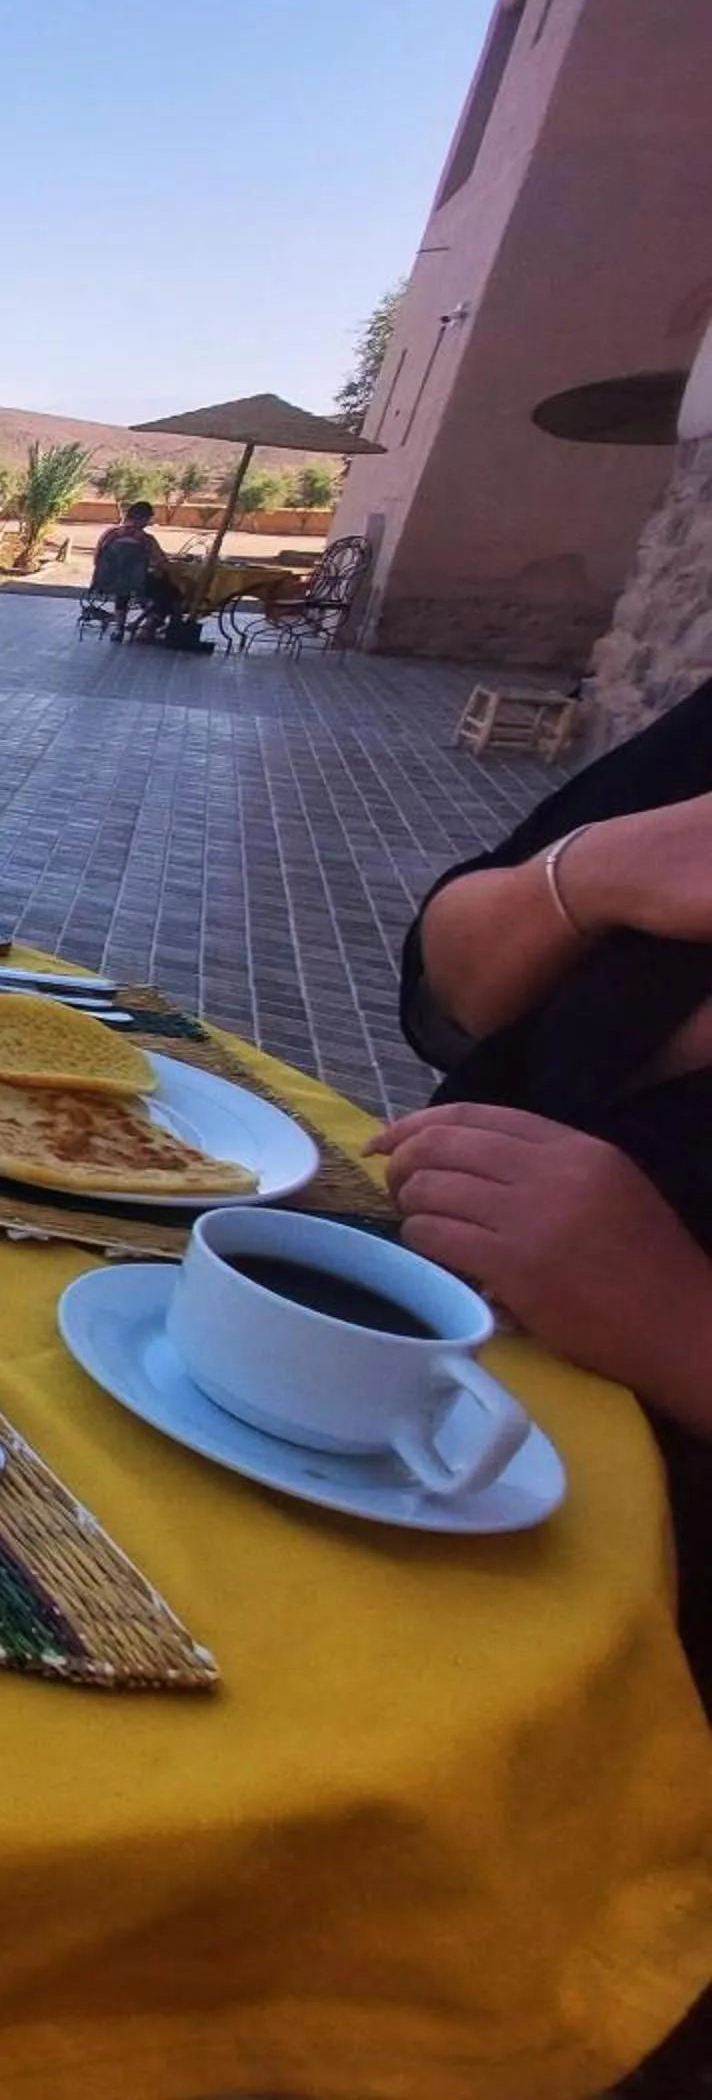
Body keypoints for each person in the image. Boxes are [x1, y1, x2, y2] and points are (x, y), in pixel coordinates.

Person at [375, 672, 712, 1695]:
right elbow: (449, 990)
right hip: (393, 1415)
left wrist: (681, 1325)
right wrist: (596, 871)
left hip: (632, 1639)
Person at [87, 503, 166, 641]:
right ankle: (149, 624)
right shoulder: (146, 539)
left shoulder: (109, 535)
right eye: (148, 518)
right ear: (142, 518)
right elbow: (161, 561)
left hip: (110, 581)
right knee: (166, 592)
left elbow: (97, 558)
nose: (149, 522)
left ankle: (119, 629)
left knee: (123, 592)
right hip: (138, 583)